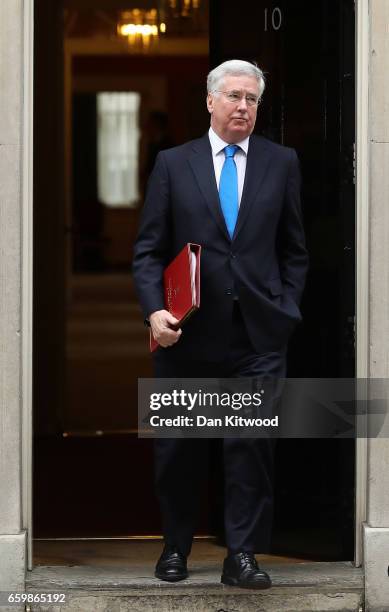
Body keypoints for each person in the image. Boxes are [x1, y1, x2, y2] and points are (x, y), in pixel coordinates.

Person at [132, 59, 308, 589]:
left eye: (252, 99)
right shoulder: (172, 163)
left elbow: (294, 251)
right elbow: (147, 251)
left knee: (249, 446)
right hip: (186, 336)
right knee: (179, 448)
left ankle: (243, 556)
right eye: (234, 96)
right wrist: (153, 311)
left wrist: (286, 308)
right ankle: (175, 548)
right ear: (210, 101)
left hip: (257, 336)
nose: (243, 107)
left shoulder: (282, 163)